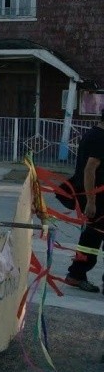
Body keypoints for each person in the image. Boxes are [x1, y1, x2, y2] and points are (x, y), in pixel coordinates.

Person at [65, 110, 104, 293]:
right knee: (92, 237)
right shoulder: (100, 138)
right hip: (97, 197)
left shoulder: (92, 134)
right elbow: (90, 169)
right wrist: (91, 200)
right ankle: (76, 274)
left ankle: (76, 274)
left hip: (94, 196)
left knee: (91, 237)